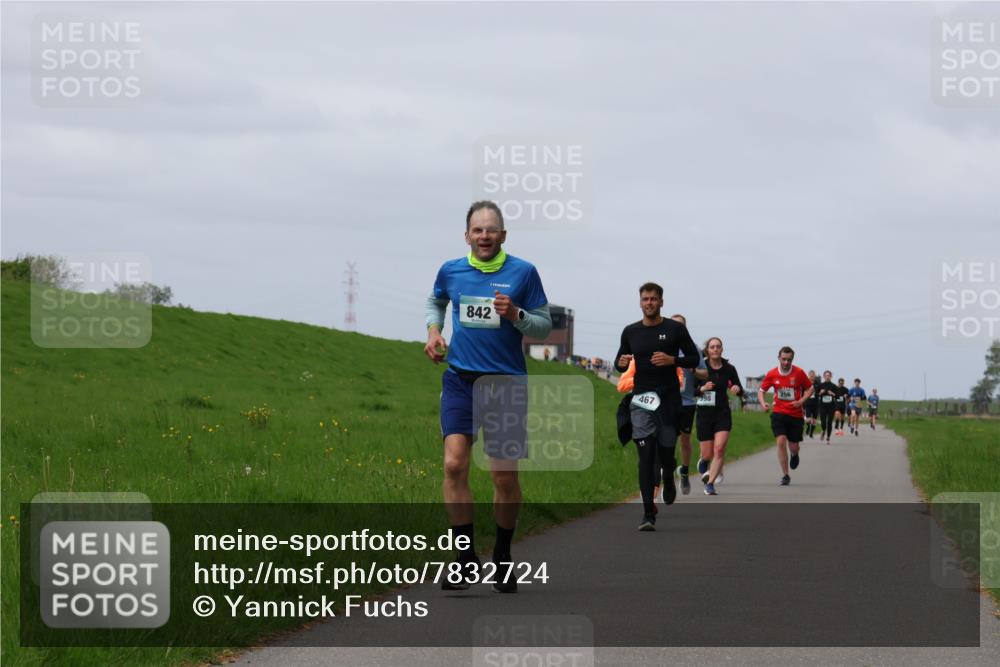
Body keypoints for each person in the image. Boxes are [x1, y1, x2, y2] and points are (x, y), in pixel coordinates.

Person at [424, 200, 552, 593]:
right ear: (467, 235)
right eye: (477, 230)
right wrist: (434, 331)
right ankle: (464, 560)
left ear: (503, 235)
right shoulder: (451, 269)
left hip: (505, 384)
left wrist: (516, 314)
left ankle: (502, 555)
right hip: (461, 379)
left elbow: (545, 327)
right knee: (453, 465)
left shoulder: (524, 273)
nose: (484, 236)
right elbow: (436, 300)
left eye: (491, 230)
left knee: (503, 478)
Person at [615, 283, 699, 531]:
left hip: (669, 400)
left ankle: (669, 478)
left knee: (664, 453)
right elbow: (620, 362)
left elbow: (693, 358)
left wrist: (673, 360)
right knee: (645, 454)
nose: (649, 303)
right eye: (645, 299)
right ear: (640, 302)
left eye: (653, 299)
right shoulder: (630, 331)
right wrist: (620, 362)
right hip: (641, 399)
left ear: (661, 302)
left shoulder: (675, 329)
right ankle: (648, 513)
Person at [757, 346, 814, 486]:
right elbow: (761, 391)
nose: (786, 362)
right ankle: (785, 475)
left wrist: (800, 401)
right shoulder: (772, 373)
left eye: (789, 360)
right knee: (781, 441)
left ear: (792, 359)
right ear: (779, 358)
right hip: (779, 413)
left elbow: (810, 389)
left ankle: (794, 455)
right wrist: (763, 403)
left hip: (795, 415)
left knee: (794, 447)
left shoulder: (799, 372)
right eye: (784, 359)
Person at [694, 337, 743, 496]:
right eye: (712, 347)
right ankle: (704, 461)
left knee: (720, 449)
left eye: (718, 347)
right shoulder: (701, 368)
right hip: (704, 414)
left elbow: (739, 389)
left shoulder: (729, 368)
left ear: (722, 349)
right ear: (707, 350)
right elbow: (691, 392)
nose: (715, 349)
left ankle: (710, 484)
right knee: (708, 454)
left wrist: (736, 388)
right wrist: (703, 388)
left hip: (722, 413)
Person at [671, 314, 708, 495]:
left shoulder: (693, 349)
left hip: (686, 402)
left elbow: (704, 374)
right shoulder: (662, 346)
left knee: (684, 440)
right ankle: (666, 473)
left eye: (680, 326)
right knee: (666, 439)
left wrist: (692, 368)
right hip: (666, 400)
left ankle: (684, 471)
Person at [815, 370, 839, 444]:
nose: (827, 377)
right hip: (822, 406)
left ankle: (828, 437)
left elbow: (838, 396)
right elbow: (816, 395)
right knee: (823, 422)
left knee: (829, 422)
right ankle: (823, 430)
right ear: (824, 376)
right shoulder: (820, 385)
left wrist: (833, 394)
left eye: (829, 375)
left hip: (831, 406)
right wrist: (820, 393)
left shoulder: (834, 386)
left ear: (831, 376)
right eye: (826, 375)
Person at [803, 370, 820, 439]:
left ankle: (811, 433)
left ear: (815, 376)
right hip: (808, 403)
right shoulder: (805, 383)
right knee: (809, 419)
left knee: (814, 419)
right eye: (811, 375)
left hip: (816, 403)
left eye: (813, 375)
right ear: (808, 375)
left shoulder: (818, 384)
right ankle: (807, 427)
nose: (812, 376)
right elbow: (802, 391)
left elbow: (820, 391)